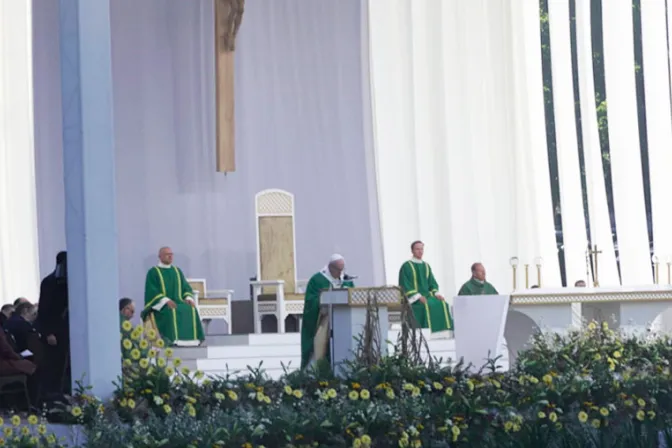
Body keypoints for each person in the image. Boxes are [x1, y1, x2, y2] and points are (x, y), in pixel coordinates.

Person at [142, 247, 205, 346]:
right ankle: (172, 340)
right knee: (171, 310)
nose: (170, 256)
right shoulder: (153, 272)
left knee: (191, 309)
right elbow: (152, 291)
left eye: (171, 254)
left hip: (178, 301)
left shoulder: (177, 271)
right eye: (167, 254)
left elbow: (185, 287)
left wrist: (188, 298)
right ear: (160, 256)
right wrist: (165, 300)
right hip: (162, 305)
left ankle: (193, 341)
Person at [300, 254, 355, 369]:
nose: (340, 273)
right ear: (330, 267)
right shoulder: (317, 280)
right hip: (324, 321)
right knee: (322, 347)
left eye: (342, 269)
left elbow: (354, 297)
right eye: (338, 270)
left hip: (344, 322)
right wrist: (322, 302)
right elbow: (310, 302)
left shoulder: (347, 281)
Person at [398, 241, 453, 334]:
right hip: (414, 299)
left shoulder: (426, 266)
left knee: (443, 304)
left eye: (421, 249)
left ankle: (442, 332)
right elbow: (405, 284)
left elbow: (432, 282)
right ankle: (426, 333)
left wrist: (436, 293)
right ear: (412, 251)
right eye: (417, 249)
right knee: (426, 306)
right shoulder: (406, 266)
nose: (420, 251)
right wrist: (418, 296)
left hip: (427, 296)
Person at [36, 251, 70, 396]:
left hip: (66, 329)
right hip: (54, 331)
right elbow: (44, 310)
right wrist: (48, 332)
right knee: (54, 365)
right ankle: (51, 396)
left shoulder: (70, 281)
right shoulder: (49, 282)